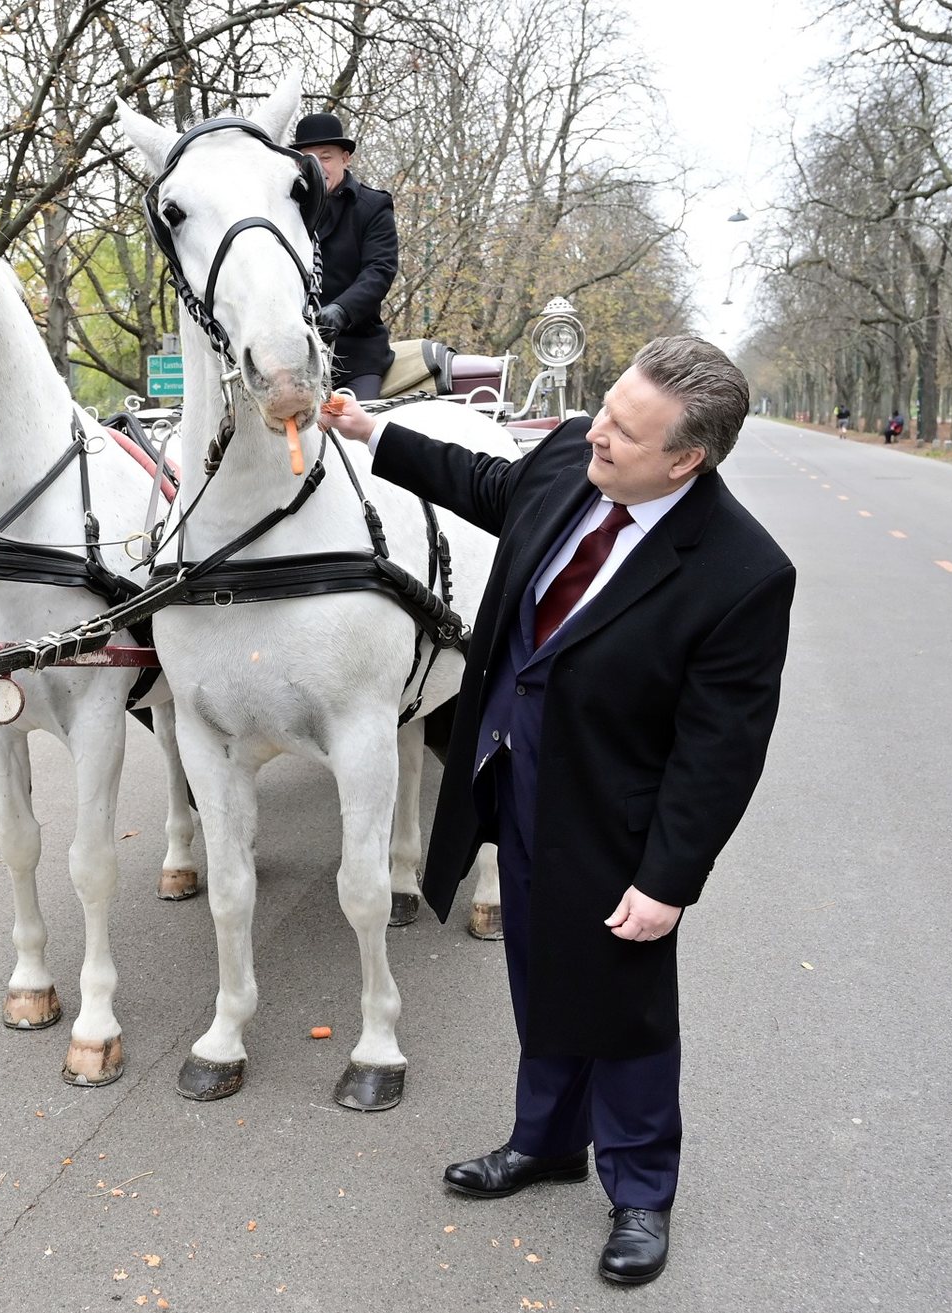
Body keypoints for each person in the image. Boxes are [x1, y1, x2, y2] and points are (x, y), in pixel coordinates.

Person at [322, 335, 795, 1285]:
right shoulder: (578, 459)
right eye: (608, 406)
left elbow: (721, 750)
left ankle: (641, 1189)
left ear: (687, 458)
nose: (600, 432)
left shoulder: (742, 573)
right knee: (538, 974)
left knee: (622, 1000)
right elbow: (489, 484)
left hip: (616, 813)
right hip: (513, 772)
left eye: (627, 427)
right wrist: (372, 430)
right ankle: (545, 1141)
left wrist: (668, 880)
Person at [291, 111, 399, 400]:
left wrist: (341, 310)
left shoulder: (373, 206)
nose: (317, 167)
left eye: (325, 157)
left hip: (356, 354)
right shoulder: (282, 211)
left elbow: (379, 270)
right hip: (292, 354)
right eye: (307, 159)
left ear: (345, 158)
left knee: (357, 434)